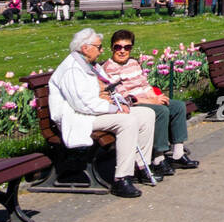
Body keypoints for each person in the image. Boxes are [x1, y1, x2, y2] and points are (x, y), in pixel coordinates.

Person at [48, 28, 158, 198]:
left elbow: (105, 89)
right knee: (127, 122)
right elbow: (83, 104)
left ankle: (140, 166)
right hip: (78, 118)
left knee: (146, 114)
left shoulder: (88, 64)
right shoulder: (72, 69)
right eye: (98, 47)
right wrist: (115, 109)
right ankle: (122, 179)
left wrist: (115, 100)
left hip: (93, 112)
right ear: (85, 48)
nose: (101, 51)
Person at [100, 29, 199, 176]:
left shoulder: (133, 63)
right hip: (132, 104)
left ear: (131, 48)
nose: (122, 51)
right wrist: (153, 100)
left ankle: (178, 153)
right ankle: (158, 157)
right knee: (160, 111)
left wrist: (156, 97)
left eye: (126, 47)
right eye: (118, 47)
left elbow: (144, 85)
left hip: (147, 98)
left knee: (177, 106)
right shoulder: (109, 68)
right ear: (112, 48)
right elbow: (124, 96)